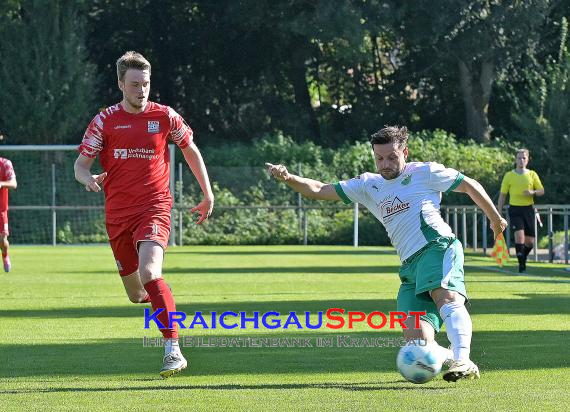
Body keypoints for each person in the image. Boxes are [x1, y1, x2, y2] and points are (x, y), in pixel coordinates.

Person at [266, 126, 507, 382]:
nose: (385, 163)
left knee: (447, 299)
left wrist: (495, 219)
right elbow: (318, 189)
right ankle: (454, 356)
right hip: (409, 266)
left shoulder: (425, 172)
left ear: (405, 152)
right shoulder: (369, 184)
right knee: (418, 343)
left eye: (392, 157)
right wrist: (288, 178)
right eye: (379, 158)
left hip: (437, 246)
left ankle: (463, 358)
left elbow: (469, 185)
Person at [74, 51, 214, 379]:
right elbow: (80, 165)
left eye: (146, 83)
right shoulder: (105, 121)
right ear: (121, 83)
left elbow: (190, 149)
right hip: (117, 217)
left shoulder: (165, 116)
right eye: (135, 84)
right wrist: (88, 179)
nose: (142, 90)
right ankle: (160, 308)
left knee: (151, 272)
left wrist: (208, 193)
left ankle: (173, 351)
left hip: (154, 207)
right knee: (137, 294)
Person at [497, 149, 544, 273]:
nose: (521, 160)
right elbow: (502, 195)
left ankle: (522, 257)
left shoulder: (532, 174)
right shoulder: (509, 175)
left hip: (529, 209)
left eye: (524, 158)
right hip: (515, 209)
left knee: (530, 242)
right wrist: (498, 212)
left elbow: (541, 191)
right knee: (519, 237)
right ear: (515, 159)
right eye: (519, 158)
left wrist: (532, 192)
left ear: (528, 160)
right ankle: (521, 266)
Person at [0, 157, 17, 272]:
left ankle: (5, 255)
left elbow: (13, 183)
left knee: (2, 240)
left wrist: (1, 183)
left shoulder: (5, 163)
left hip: (0, 210)